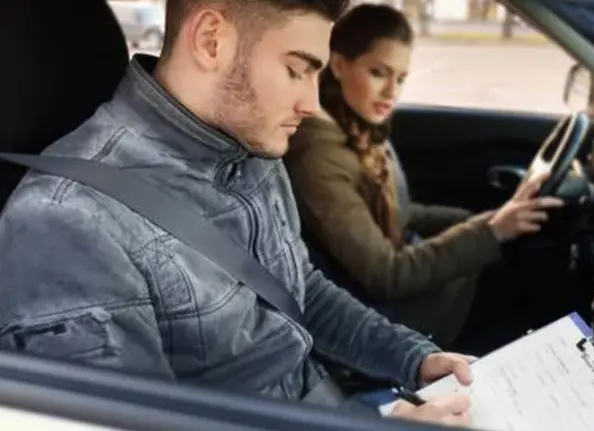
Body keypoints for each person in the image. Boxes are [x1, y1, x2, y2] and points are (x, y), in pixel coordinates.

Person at [0, 0, 473, 426]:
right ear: (211, 40)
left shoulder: (250, 148)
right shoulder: (66, 223)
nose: (311, 103)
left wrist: (412, 358)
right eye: (296, 69)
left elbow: (299, 290)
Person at [284, 4, 564, 351]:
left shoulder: (360, 127)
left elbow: (400, 213)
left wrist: (484, 222)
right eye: (378, 72)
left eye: (400, 78)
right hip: (400, 319)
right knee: (543, 286)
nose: (391, 92)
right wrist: (490, 232)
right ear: (339, 65)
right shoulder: (318, 156)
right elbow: (387, 275)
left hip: (417, 285)